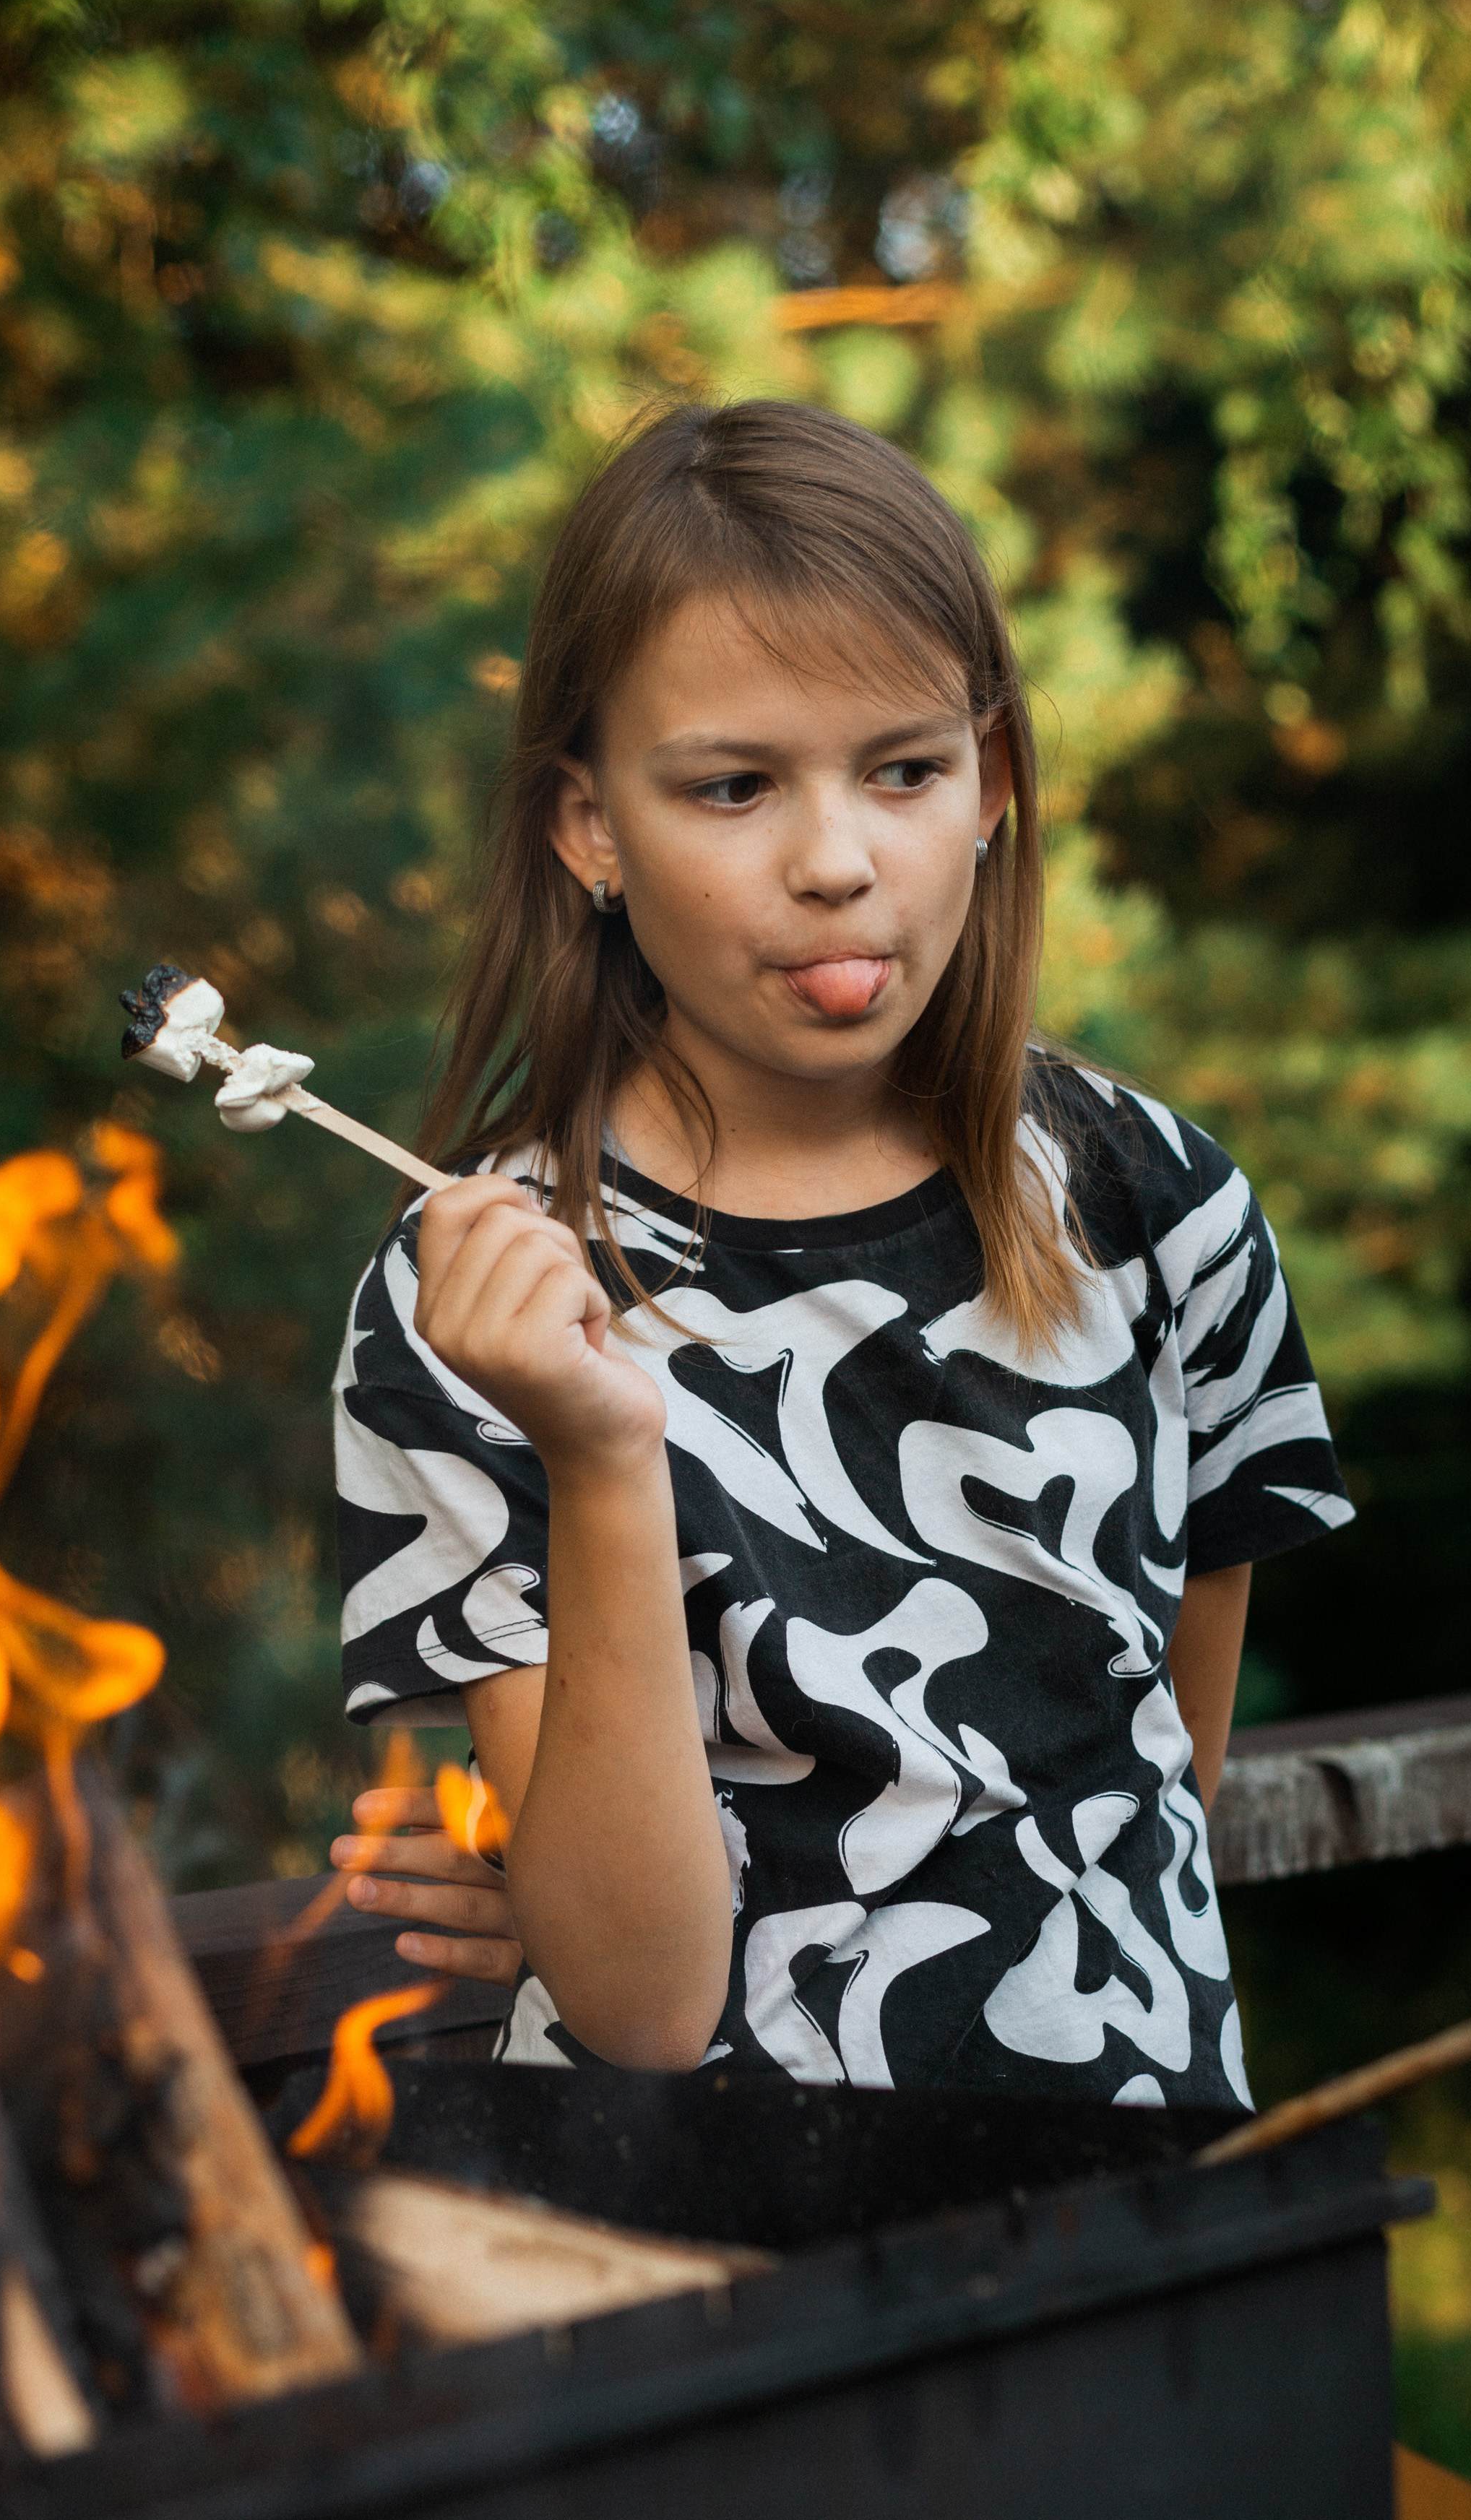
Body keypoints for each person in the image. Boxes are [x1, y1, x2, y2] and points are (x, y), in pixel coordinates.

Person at [326, 400, 1352, 2101]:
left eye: (902, 769)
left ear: (991, 784)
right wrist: (597, 1453)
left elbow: (1156, 1773)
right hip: (708, 2260)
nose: (833, 861)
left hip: (1139, 2236)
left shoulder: (1154, 1203)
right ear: (588, 828)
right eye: (731, 786)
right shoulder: (476, 1302)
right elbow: (639, 2003)